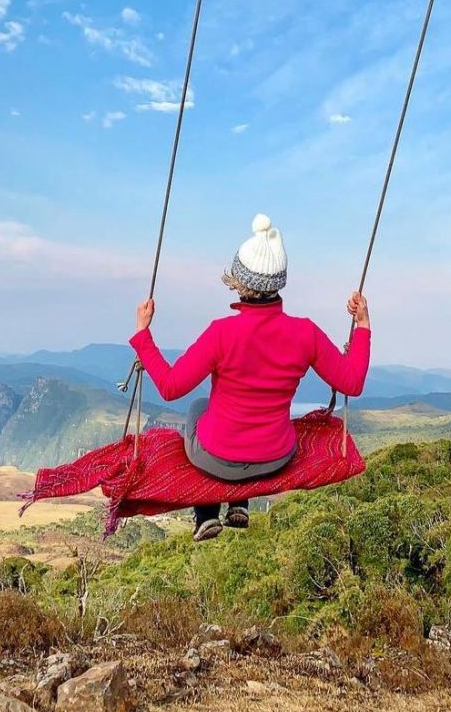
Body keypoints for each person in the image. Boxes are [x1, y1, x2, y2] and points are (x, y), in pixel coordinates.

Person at [129, 214, 371, 541]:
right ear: (278, 284)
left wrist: (143, 335)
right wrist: (363, 326)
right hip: (276, 457)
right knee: (237, 427)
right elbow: (352, 383)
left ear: (239, 283)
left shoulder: (221, 333)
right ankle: (239, 504)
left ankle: (205, 513)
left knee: (199, 407)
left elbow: (171, 387)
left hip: (217, 458)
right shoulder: (306, 334)